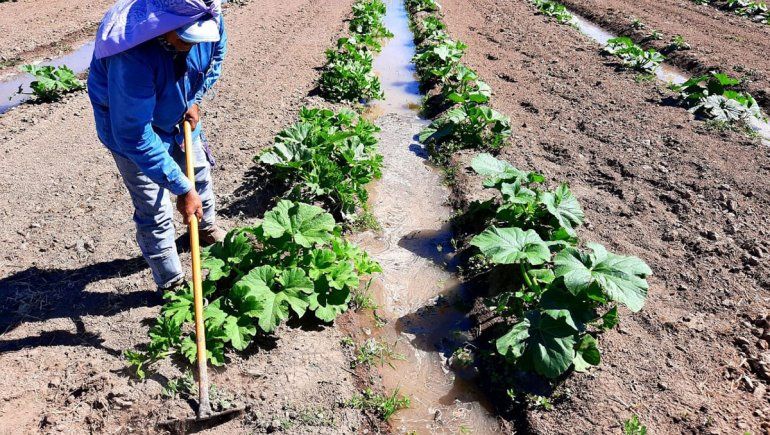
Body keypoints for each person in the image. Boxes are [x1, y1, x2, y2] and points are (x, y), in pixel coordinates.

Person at [87, 0, 227, 290]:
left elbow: (216, 57)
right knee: (155, 207)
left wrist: (195, 99)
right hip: (132, 132)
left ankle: (205, 228)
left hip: (179, 113)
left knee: (198, 173)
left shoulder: (209, 15)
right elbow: (134, 134)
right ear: (163, 24)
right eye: (185, 38)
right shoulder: (131, 55)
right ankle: (171, 282)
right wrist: (182, 189)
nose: (191, 45)